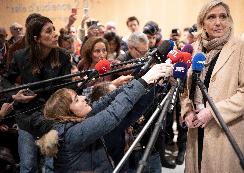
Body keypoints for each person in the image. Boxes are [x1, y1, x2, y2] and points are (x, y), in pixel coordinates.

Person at [36, 63, 173, 172]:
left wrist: (151, 81)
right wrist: (144, 80)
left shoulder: (76, 121)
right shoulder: (72, 134)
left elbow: (106, 100)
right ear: (66, 112)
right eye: (77, 100)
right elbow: (111, 114)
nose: (84, 98)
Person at [181, 0, 244, 173]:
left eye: (223, 16)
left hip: (225, 129)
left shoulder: (243, 47)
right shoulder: (193, 49)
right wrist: (187, 111)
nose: (218, 22)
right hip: (196, 129)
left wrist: (213, 111)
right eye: (211, 17)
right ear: (202, 23)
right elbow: (185, 90)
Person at [4, 15, 72, 173]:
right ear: (36, 38)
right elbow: (5, 81)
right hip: (27, 117)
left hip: (52, 116)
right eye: (49, 31)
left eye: (54, 29)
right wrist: (15, 95)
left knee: (51, 167)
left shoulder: (63, 56)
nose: (55, 34)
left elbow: (67, 87)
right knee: (28, 166)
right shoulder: (20, 56)